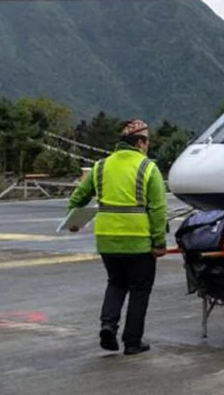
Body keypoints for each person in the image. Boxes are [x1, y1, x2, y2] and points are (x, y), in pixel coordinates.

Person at [67, 119, 167, 355]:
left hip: (107, 239)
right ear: (141, 142)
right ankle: (132, 342)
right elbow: (158, 209)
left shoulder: (101, 166)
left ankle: (108, 326)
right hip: (138, 241)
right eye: (148, 141)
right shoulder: (147, 167)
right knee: (139, 289)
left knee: (116, 282)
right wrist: (159, 242)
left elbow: (79, 197)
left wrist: (72, 220)